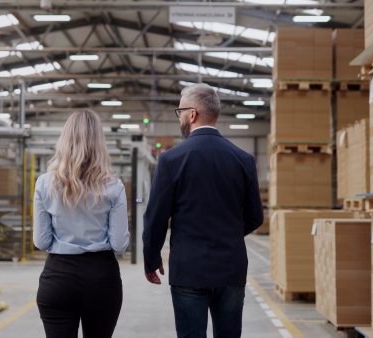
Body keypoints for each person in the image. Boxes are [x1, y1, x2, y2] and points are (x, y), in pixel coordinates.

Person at [142, 83, 264, 338]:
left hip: (189, 268)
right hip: (231, 268)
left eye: (180, 112)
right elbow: (255, 216)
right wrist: (228, 236)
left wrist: (152, 259)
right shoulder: (244, 159)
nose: (180, 118)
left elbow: (155, 217)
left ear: (192, 114)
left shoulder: (171, 160)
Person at [33, 109, 130, 338]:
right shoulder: (114, 187)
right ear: (99, 142)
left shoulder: (45, 183)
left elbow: (42, 241)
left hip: (58, 278)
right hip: (101, 278)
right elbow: (119, 245)